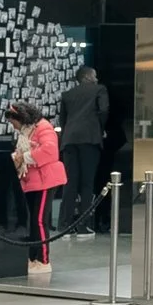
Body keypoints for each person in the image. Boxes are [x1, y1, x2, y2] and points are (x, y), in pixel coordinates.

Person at [7, 101, 64, 282]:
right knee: (33, 221)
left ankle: (43, 259)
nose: (12, 125)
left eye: (12, 121)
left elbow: (50, 151)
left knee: (39, 220)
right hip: (31, 180)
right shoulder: (26, 132)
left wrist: (23, 157)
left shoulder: (43, 128)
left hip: (45, 180)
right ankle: (32, 258)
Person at [56, 67, 110, 234]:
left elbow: (63, 120)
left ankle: (64, 224)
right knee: (87, 183)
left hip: (69, 141)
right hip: (89, 138)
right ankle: (82, 224)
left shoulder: (67, 94)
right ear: (87, 76)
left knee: (70, 183)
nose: (97, 78)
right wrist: (100, 128)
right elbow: (104, 109)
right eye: (94, 75)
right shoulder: (100, 89)